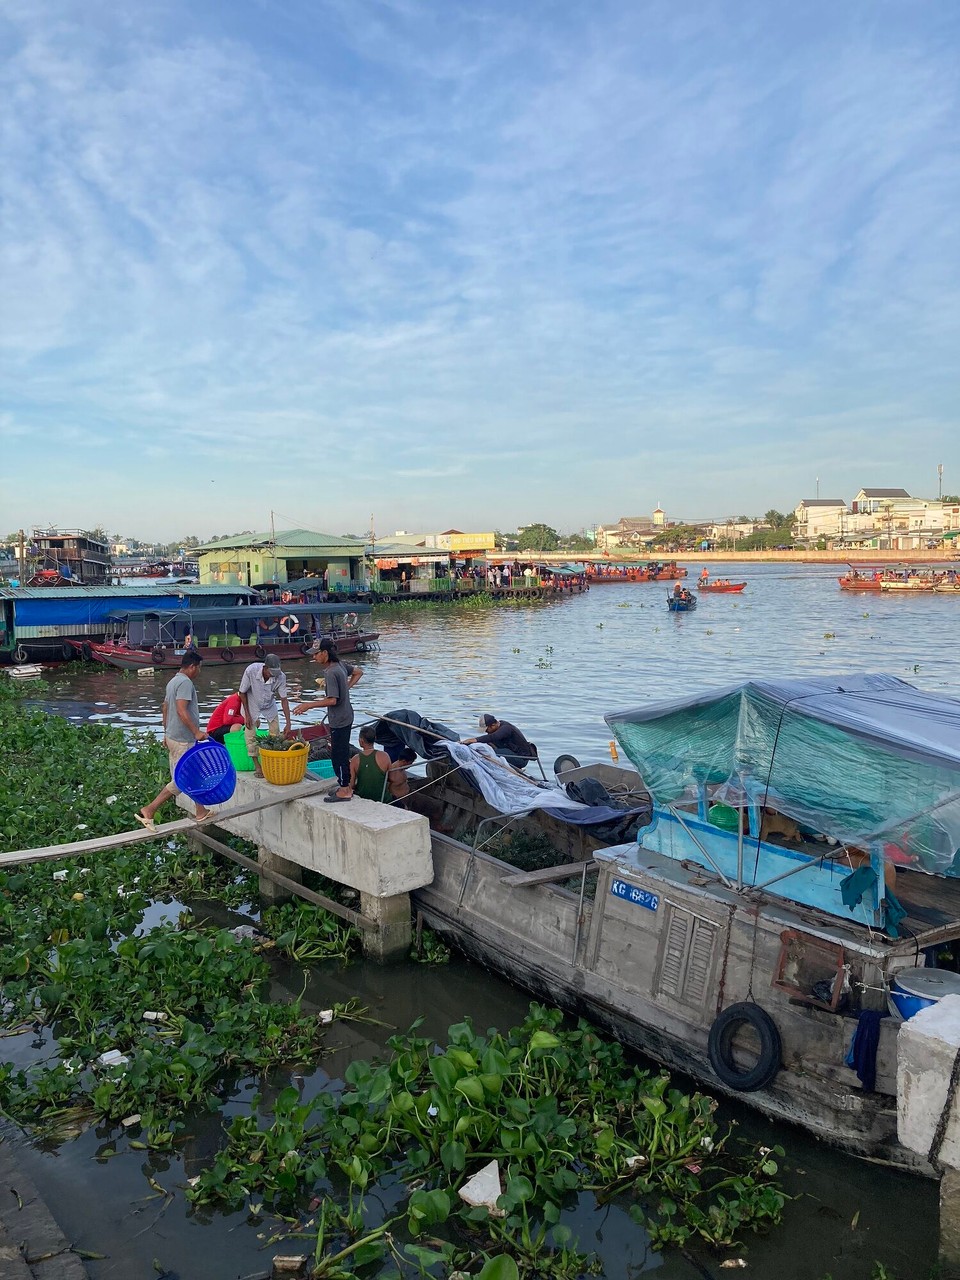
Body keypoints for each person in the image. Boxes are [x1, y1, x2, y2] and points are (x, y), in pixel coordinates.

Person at [136, 653, 211, 829]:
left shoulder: (173, 681)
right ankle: (150, 809)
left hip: (173, 737)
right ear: (192, 666)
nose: (199, 671)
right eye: (199, 667)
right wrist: (197, 732)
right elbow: (180, 710)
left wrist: (166, 732)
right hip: (182, 740)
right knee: (181, 780)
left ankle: (201, 811)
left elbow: (165, 707)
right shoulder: (185, 682)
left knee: (192, 775)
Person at [293, 637, 362, 801]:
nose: (314, 657)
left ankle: (345, 790)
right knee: (341, 751)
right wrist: (346, 688)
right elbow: (359, 672)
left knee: (338, 755)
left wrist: (308, 705)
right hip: (347, 715)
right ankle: (344, 786)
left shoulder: (331, 672)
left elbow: (333, 700)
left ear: (325, 653)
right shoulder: (340, 665)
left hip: (339, 719)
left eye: (316, 654)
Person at [239, 655, 292, 778]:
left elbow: (284, 700)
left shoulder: (281, 677)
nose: (273, 675)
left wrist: (288, 723)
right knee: (250, 736)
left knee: (275, 733)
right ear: (265, 667)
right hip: (251, 702)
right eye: (271, 672)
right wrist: (247, 714)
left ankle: (272, 763)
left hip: (269, 704)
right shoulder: (251, 670)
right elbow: (242, 692)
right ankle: (257, 765)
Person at [463, 714, 536, 770]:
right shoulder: (499, 724)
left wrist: (472, 740)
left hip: (521, 758)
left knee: (489, 752)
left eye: (486, 729)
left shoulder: (506, 728)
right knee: (487, 745)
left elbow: (494, 737)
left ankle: (514, 768)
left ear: (493, 725)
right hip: (511, 751)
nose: (486, 732)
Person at [350, 724, 393, 801]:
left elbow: (352, 784)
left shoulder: (355, 759)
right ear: (375, 738)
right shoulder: (385, 756)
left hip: (363, 798)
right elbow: (391, 778)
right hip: (383, 799)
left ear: (361, 741)